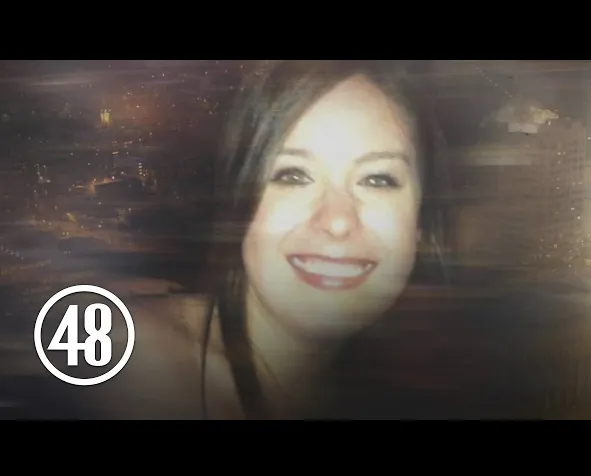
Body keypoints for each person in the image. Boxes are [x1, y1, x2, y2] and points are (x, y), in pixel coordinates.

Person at [79, 60, 451, 420]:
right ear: (239, 203)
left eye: (378, 179)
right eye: (293, 175)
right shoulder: (117, 363)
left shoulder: (422, 389)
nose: (338, 221)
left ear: (420, 224)